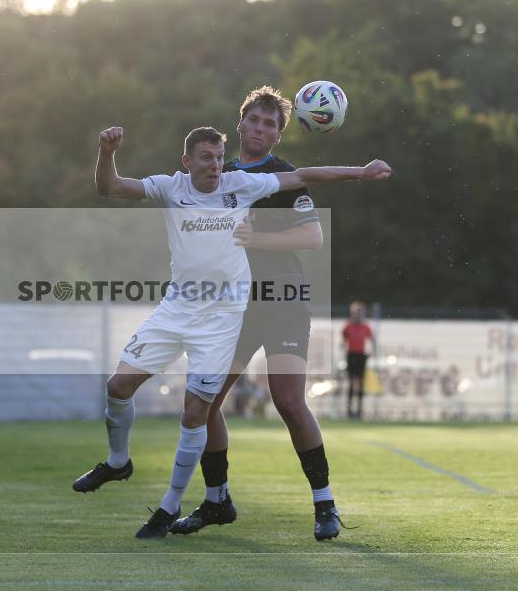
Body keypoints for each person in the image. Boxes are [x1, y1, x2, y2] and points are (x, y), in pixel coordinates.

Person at [71, 124, 390, 538]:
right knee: (117, 386)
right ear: (187, 161)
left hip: (223, 320)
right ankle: (124, 464)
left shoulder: (240, 184)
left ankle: (170, 508)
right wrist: (107, 151)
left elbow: (303, 176)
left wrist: (360, 172)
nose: (216, 166)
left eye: (220, 158)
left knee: (203, 411)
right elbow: (109, 187)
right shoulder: (170, 187)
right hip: (176, 310)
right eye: (207, 158)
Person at [170, 86, 345, 541]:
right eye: (255, 120)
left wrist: (258, 239)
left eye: (271, 124)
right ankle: (217, 501)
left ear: (278, 135)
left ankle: (325, 504)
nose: (261, 128)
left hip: (282, 300)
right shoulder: (220, 174)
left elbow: (312, 239)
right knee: (204, 404)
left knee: (288, 401)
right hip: (232, 308)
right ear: (240, 124)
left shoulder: (285, 177)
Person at [342, 301, 373, 420]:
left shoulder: (366, 327)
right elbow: (343, 340)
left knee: (360, 383)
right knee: (351, 383)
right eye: (356, 313)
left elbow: (371, 340)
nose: (358, 315)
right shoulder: (348, 326)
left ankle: (359, 411)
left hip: (361, 355)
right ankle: (349, 411)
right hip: (351, 355)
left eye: (360, 313)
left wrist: (370, 352)